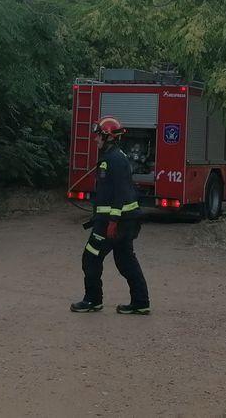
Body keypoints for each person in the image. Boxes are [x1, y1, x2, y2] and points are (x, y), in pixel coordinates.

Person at [71, 116, 150, 315]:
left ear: (108, 137)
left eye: (98, 135)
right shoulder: (114, 157)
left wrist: (113, 221)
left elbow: (120, 193)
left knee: (90, 258)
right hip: (124, 220)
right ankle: (141, 302)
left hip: (114, 222)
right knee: (125, 261)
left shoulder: (113, 159)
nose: (95, 139)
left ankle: (92, 300)